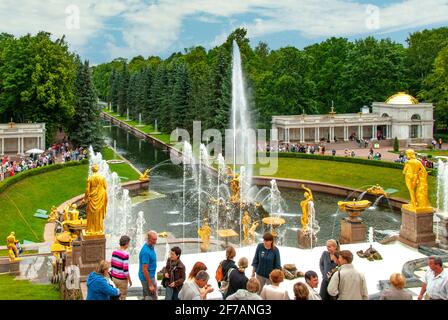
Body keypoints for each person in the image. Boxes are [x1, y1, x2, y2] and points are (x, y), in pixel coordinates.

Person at [110, 235, 132, 300]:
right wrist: (130, 280)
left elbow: (112, 264)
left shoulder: (114, 252)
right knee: (122, 297)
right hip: (122, 280)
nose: (129, 245)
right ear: (126, 244)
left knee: (117, 296)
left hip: (114, 278)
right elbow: (125, 271)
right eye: (129, 243)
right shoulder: (125, 255)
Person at [138, 230, 158, 300]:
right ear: (148, 239)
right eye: (154, 239)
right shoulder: (145, 252)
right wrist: (150, 284)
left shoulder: (151, 246)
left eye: (156, 239)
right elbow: (144, 269)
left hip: (150, 276)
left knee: (147, 296)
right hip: (147, 277)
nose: (155, 241)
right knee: (153, 297)